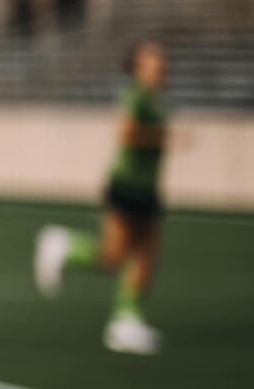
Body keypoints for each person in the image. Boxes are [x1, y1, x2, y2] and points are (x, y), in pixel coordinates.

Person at [34, 40, 174, 354]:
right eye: (154, 59)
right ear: (138, 66)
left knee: (145, 255)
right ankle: (64, 246)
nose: (162, 63)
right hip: (125, 186)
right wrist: (163, 137)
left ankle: (125, 321)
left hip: (147, 190)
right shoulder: (134, 96)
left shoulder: (156, 100)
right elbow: (126, 132)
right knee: (115, 255)